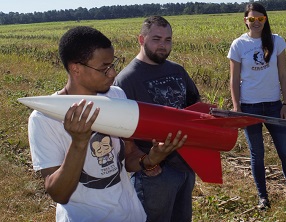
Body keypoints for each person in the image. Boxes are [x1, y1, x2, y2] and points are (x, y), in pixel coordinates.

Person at [28, 26, 188, 222]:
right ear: (76, 69)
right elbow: (58, 193)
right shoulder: (44, 119)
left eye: (113, 65)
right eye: (104, 68)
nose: (112, 74)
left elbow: (128, 155)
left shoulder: (116, 96)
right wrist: (79, 142)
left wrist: (151, 159)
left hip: (131, 214)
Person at [114, 16, 201, 222]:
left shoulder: (177, 70)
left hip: (186, 165)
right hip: (156, 173)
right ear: (141, 40)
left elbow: (194, 106)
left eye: (168, 40)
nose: (163, 45)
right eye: (156, 39)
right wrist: (148, 164)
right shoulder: (126, 80)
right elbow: (121, 132)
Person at [227, 2, 286, 210]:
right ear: (245, 21)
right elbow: (234, 79)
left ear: (265, 19)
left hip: (274, 105)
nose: (256, 22)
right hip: (249, 107)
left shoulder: (276, 41)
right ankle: (263, 197)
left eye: (260, 19)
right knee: (257, 154)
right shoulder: (238, 45)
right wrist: (237, 107)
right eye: (252, 19)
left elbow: (283, 74)